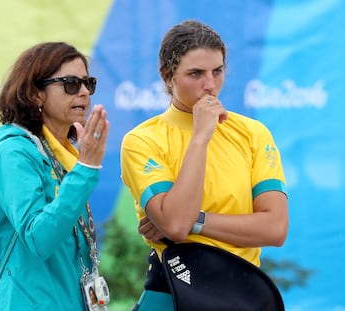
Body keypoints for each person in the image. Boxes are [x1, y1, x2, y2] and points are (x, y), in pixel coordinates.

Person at [120, 20, 288, 310]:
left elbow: (275, 228)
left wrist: (195, 222)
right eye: (195, 73)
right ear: (167, 75)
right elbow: (174, 225)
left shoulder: (253, 133)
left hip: (240, 293)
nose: (210, 85)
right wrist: (200, 138)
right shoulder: (141, 140)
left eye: (217, 71)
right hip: (171, 293)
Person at [0, 42, 110, 310]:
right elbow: (39, 238)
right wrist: (86, 169)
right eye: (70, 83)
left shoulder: (64, 154)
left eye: (88, 83)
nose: (83, 92)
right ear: (36, 94)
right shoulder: (11, 152)